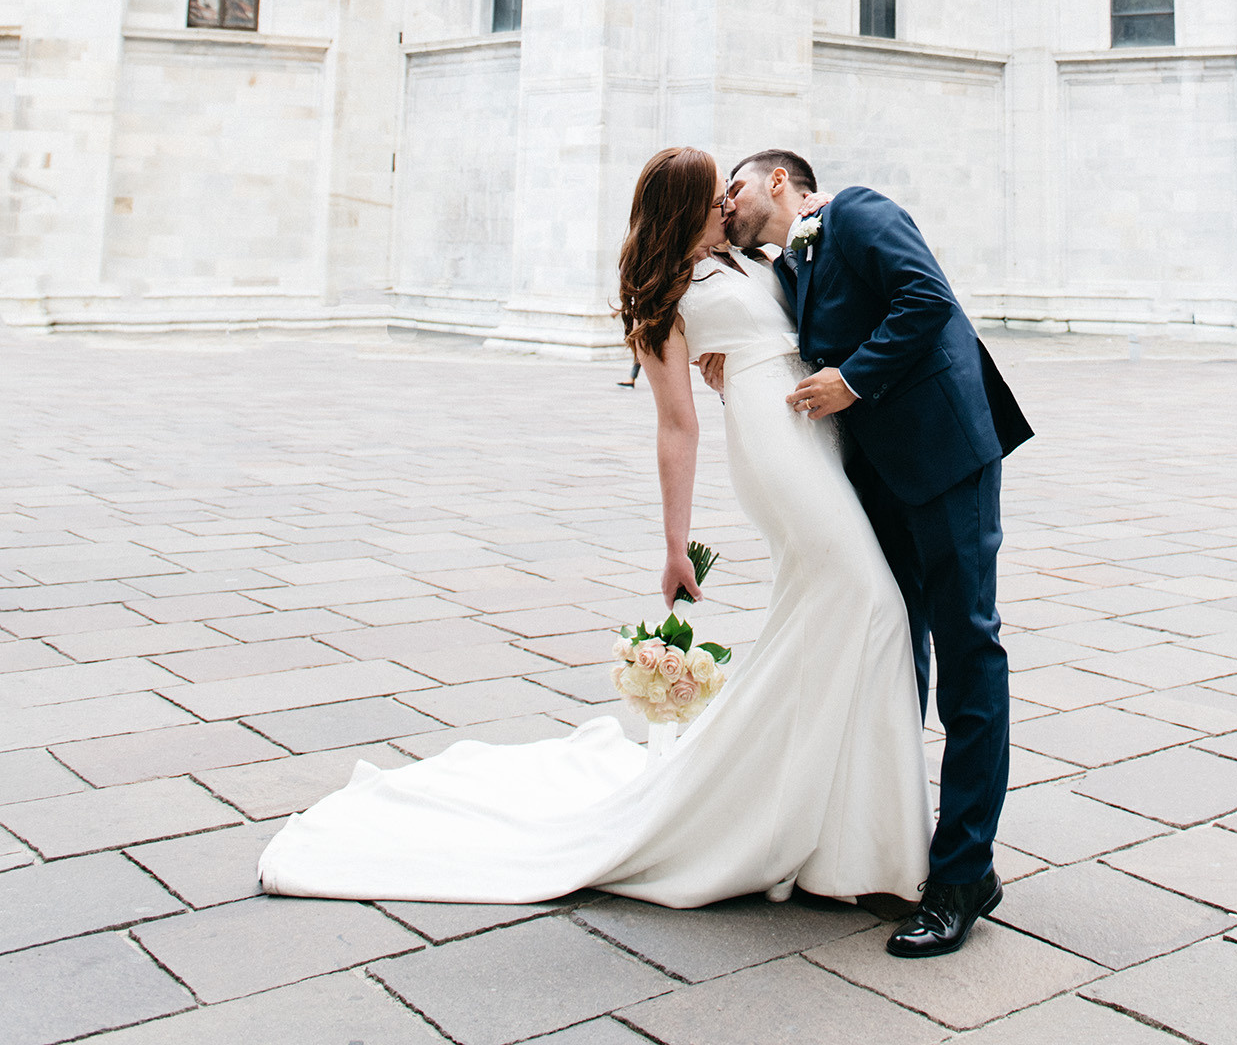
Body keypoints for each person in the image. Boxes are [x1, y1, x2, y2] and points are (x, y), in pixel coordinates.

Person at [256, 146, 930, 907]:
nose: (725, 206)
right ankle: (843, 838)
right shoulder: (664, 298)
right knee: (871, 602)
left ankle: (834, 827)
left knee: (838, 613)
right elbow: (676, 427)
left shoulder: (753, 261)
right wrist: (676, 545)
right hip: (776, 454)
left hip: (816, 435)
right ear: (682, 208)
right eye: (713, 196)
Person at [711, 151, 1032, 958]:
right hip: (875, 475)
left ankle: (963, 874)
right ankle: (890, 844)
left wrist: (851, 380)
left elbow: (927, 301)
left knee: (967, 649)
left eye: (737, 187)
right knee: (895, 648)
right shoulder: (790, 266)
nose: (727, 203)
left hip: (943, 453)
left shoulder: (856, 211)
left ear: (780, 181)